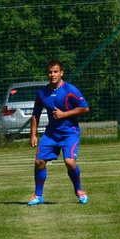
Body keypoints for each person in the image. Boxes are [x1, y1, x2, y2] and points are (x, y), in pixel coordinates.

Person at [28, 59, 91, 205]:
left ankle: (79, 190)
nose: (53, 74)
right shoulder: (42, 93)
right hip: (51, 134)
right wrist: (33, 135)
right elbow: (35, 115)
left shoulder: (70, 90)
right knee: (39, 162)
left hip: (70, 133)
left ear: (61, 73)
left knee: (69, 162)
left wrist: (64, 114)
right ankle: (38, 196)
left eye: (55, 72)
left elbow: (84, 107)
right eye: (50, 72)